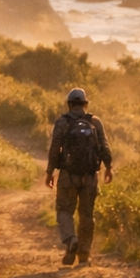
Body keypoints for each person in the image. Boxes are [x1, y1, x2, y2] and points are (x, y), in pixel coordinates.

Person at [44, 87, 112, 266]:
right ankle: (84, 254)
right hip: (90, 176)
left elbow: (54, 149)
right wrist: (109, 167)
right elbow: (104, 146)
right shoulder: (95, 122)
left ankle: (71, 239)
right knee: (87, 214)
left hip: (68, 175)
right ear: (85, 104)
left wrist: (50, 172)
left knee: (64, 210)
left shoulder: (62, 122)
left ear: (69, 104)